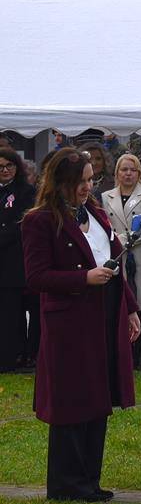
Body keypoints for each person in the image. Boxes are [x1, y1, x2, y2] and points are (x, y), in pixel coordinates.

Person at [23, 149, 139, 500]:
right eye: (82, 181)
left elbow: (116, 263)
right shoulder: (39, 220)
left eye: (91, 179)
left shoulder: (99, 215)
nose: (88, 186)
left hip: (103, 316)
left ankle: (89, 479)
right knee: (72, 403)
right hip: (68, 326)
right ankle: (66, 484)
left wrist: (131, 308)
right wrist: (83, 278)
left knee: (98, 399)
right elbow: (36, 277)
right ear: (61, 182)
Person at [104, 152, 141, 367]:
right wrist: (117, 241)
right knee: (123, 305)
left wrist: (119, 239)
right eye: (124, 169)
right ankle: (127, 354)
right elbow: (105, 228)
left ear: (139, 173)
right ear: (116, 173)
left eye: (132, 169)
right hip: (117, 257)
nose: (128, 173)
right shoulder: (105, 197)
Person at [1, 148, 37, 370]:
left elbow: (22, 222)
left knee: (13, 311)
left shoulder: (26, 191)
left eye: (9, 166)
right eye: (0, 167)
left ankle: (18, 355)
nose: (5, 170)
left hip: (14, 259)